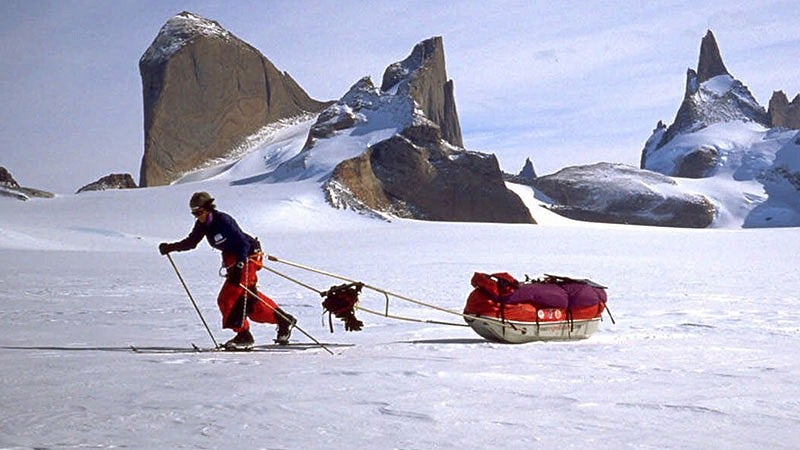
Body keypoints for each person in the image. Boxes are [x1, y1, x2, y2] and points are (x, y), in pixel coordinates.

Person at [159, 192, 296, 349]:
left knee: (227, 298)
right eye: (194, 213)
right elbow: (191, 242)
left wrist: (239, 266)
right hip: (235, 260)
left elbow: (243, 244)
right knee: (250, 301)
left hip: (246, 257)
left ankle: (244, 336)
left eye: (199, 212)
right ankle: (283, 320)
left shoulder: (223, 221)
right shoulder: (203, 224)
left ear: (208, 208)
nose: (197, 216)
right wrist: (171, 247)